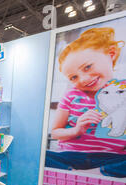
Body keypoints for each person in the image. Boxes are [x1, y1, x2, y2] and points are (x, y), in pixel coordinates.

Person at [46, 27, 126, 177]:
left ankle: (94, 174)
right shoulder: (71, 95)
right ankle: (82, 174)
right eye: (73, 77)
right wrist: (77, 130)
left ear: (111, 54)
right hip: (72, 156)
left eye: (88, 67)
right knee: (41, 155)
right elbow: (56, 132)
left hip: (112, 158)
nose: (83, 79)